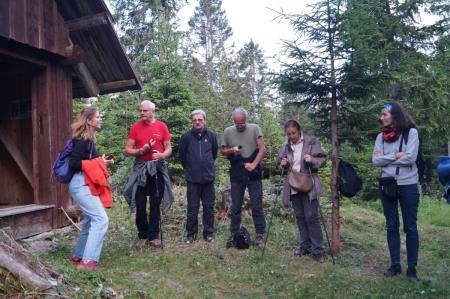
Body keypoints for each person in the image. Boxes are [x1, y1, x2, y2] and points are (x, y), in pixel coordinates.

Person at [372, 101, 420, 281]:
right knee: (391, 226)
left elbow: (410, 159)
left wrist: (385, 158)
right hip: (387, 184)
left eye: (384, 114)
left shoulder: (411, 133)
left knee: (410, 227)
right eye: (381, 114)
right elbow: (375, 161)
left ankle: (412, 268)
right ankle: (395, 265)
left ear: (395, 115)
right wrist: (395, 156)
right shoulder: (380, 137)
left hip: (408, 184)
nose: (381, 117)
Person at [68, 107, 113, 270]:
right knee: (101, 220)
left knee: (90, 220)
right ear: (89, 121)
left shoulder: (89, 140)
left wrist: (101, 161)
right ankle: (87, 262)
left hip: (84, 183)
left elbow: (88, 162)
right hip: (80, 183)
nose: (100, 119)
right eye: (98, 117)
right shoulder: (82, 140)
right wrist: (97, 163)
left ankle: (79, 256)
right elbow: (73, 163)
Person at [123, 100, 172, 249]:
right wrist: (141, 151)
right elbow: (127, 150)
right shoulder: (135, 127)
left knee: (156, 201)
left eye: (144, 111)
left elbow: (168, 148)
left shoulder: (162, 126)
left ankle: (154, 236)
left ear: (152, 111)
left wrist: (162, 155)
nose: (141, 113)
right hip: (141, 169)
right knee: (139, 202)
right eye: (140, 111)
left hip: (157, 168)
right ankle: (142, 235)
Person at [278, 120, 326, 263]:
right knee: (299, 216)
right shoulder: (285, 146)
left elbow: (322, 159)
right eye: (289, 134)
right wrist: (282, 163)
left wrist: (311, 159)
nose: (292, 136)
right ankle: (305, 246)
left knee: (311, 217)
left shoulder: (311, 142)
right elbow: (280, 162)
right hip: (293, 184)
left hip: (309, 184)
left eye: (294, 133)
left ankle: (318, 251)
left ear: (299, 130)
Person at [221, 107, 266, 247]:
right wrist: (231, 150)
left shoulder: (255, 128)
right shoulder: (228, 131)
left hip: (254, 170)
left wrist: (253, 164)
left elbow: (262, 148)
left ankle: (260, 233)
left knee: (257, 205)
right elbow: (222, 151)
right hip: (237, 170)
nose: (240, 125)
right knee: (235, 206)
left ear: (246, 119)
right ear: (233, 120)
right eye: (237, 123)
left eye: (242, 122)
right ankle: (234, 233)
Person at [179, 109, 219, 244]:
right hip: (192, 179)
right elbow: (182, 157)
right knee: (192, 208)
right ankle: (191, 234)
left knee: (209, 207)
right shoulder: (186, 137)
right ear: (192, 122)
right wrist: (191, 169)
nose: (197, 122)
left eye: (200, 120)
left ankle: (208, 233)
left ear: (204, 121)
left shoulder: (212, 135)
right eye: (195, 120)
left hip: (208, 178)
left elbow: (214, 153)